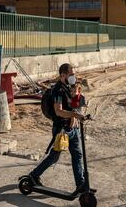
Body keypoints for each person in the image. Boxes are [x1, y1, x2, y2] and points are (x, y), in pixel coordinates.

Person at [29, 63, 86, 195]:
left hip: (73, 128)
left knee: (77, 155)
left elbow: (76, 104)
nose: (73, 76)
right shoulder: (58, 90)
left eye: (73, 74)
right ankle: (34, 175)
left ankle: (80, 184)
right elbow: (58, 111)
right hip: (62, 130)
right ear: (63, 75)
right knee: (54, 157)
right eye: (71, 74)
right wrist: (75, 115)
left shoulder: (70, 87)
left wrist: (77, 98)